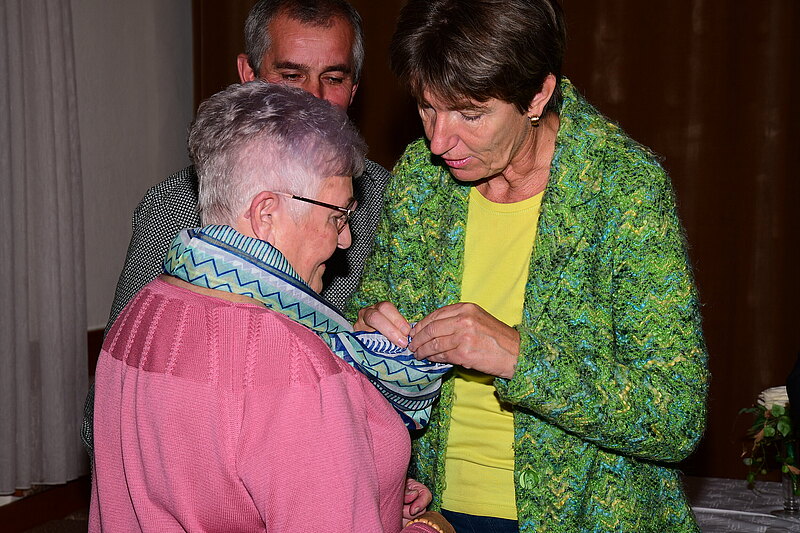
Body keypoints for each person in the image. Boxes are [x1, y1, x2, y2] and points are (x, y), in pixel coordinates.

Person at [349, 0, 709, 531]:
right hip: (434, 512)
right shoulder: (420, 180)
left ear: (538, 95)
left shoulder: (622, 189)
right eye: (426, 107)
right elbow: (369, 330)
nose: (438, 140)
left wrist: (519, 357)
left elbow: (676, 417)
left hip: (587, 518)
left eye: (470, 114)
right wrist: (365, 335)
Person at [89, 81, 453, 533]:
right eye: (337, 216)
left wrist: (370, 493)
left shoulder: (141, 312)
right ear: (267, 214)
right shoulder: (298, 366)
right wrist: (431, 528)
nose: (345, 239)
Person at [82, 0, 390, 453]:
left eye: (333, 78)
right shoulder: (176, 205)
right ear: (248, 75)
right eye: (291, 75)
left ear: (354, 88)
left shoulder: (387, 204)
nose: (313, 99)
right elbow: (113, 402)